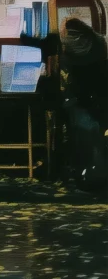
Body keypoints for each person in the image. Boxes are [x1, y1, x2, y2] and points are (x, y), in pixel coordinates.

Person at [59, 15, 108, 190]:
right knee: (96, 136)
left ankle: (88, 175)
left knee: (84, 135)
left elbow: (77, 84)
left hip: (83, 101)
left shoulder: (70, 51)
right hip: (99, 99)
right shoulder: (98, 43)